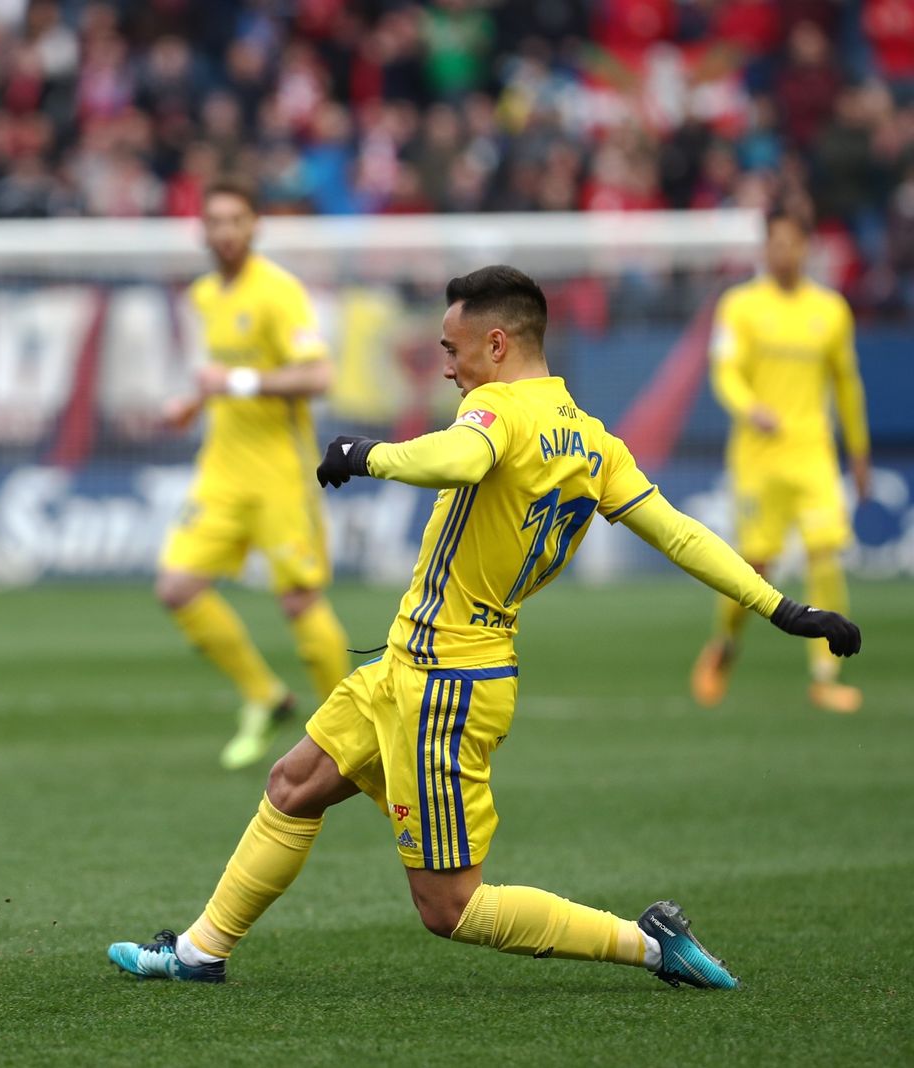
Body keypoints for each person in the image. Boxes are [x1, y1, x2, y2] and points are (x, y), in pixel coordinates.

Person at [109, 265, 859, 989]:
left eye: (451, 348)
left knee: (450, 907)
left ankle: (649, 945)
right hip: (411, 664)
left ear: (497, 344)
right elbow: (680, 534)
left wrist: (367, 454)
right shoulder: (594, 440)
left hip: (448, 685)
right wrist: (782, 607)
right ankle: (200, 952)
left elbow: (463, 456)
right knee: (294, 782)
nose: (446, 366)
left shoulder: (497, 412)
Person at [156, 176, 352, 770]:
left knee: (298, 600)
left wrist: (236, 383)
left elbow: (318, 378)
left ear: (254, 227)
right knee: (178, 587)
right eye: (214, 221)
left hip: (279, 472)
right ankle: (265, 696)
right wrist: (195, 403)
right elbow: (222, 372)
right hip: (221, 467)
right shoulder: (206, 296)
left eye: (235, 220)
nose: (225, 232)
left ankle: (347, 727)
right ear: (203, 230)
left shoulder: (278, 292)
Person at [691, 210, 870, 714]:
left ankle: (826, 672)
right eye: (775, 244)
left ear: (807, 247)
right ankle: (723, 647)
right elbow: (724, 373)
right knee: (755, 565)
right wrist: (752, 409)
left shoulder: (831, 310)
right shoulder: (741, 306)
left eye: (792, 243)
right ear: (763, 249)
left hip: (813, 451)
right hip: (758, 457)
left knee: (825, 553)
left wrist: (859, 453)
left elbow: (847, 386)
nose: (783, 253)